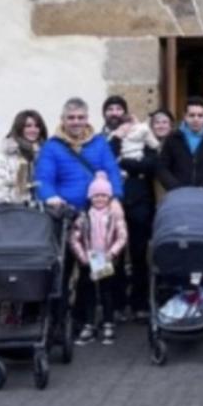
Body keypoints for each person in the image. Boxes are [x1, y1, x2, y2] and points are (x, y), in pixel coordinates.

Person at [34, 97, 124, 334]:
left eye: (81, 118)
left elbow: (112, 172)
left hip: (97, 218)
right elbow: (44, 179)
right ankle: (62, 321)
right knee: (63, 270)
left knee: (96, 272)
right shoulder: (52, 146)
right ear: (63, 120)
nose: (76, 122)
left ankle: (96, 320)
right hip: (66, 218)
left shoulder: (99, 143)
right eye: (71, 118)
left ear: (87, 119)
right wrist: (51, 197)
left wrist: (115, 198)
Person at [102, 95, 158, 321]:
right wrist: (116, 139)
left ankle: (139, 304)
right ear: (104, 113)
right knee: (110, 256)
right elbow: (104, 161)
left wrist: (124, 164)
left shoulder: (142, 133)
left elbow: (151, 163)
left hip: (139, 203)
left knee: (138, 256)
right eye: (110, 109)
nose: (114, 113)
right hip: (109, 205)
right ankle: (113, 305)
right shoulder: (100, 137)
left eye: (119, 109)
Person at [70, 173, 128, 345]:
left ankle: (108, 322)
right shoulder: (84, 216)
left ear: (109, 197)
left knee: (106, 292)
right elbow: (74, 238)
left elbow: (122, 236)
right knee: (89, 293)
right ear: (90, 197)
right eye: (96, 195)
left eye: (103, 195)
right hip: (89, 259)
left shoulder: (114, 215)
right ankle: (89, 324)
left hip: (104, 258)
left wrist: (113, 252)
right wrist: (82, 256)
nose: (100, 199)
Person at [157, 96, 203, 192]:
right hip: (178, 195)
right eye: (192, 115)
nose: (196, 119)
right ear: (185, 116)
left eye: (200, 115)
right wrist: (176, 188)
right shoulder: (173, 138)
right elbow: (162, 168)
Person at [0, 109, 47, 205]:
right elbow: (0, 187)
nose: (33, 130)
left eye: (37, 126)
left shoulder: (47, 153)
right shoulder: (6, 155)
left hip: (43, 209)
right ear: (19, 128)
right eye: (28, 126)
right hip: (14, 208)